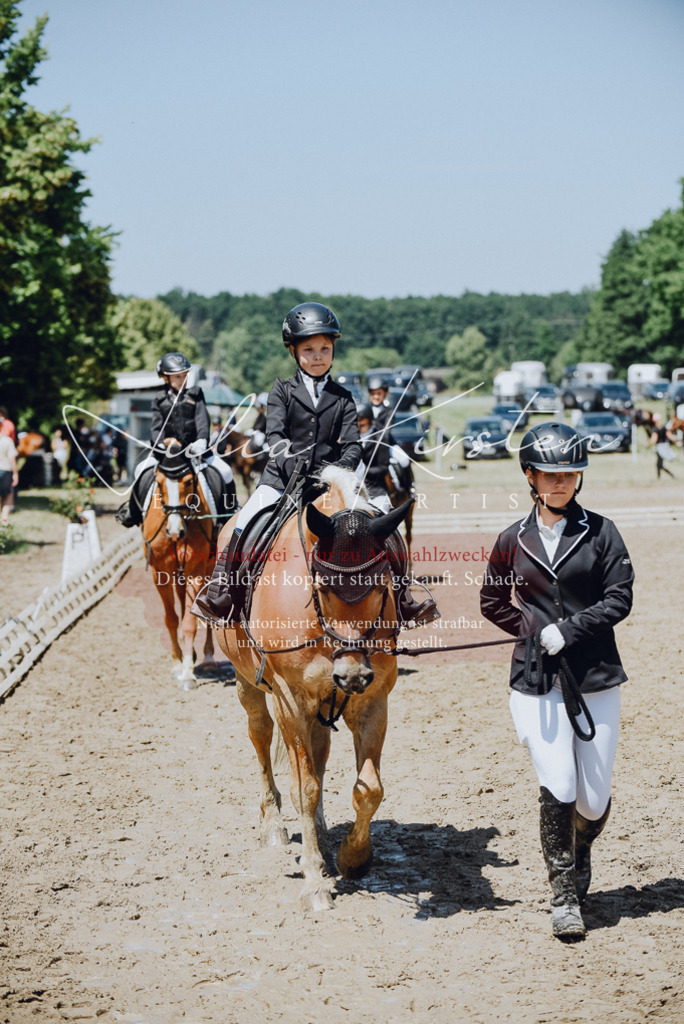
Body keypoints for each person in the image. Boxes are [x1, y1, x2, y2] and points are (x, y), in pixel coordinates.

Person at [480, 421, 634, 941]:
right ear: (530, 476)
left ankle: (582, 845)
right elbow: (492, 601)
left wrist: (567, 630)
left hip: (594, 675)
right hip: (535, 679)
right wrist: (531, 628)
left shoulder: (602, 532)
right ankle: (564, 894)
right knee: (560, 785)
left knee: (592, 800)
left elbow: (620, 598)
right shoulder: (511, 540)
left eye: (570, 474)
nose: (561, 482)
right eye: (550, 474)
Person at [196, 302, 438, 627]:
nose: (318, 355)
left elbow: (352, 445)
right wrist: (295, 469)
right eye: (309, 349)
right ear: (294, 351)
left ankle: (405, 600)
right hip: (281, 481)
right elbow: (276, 438)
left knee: (381, 525)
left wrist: (331, 476)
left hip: (332, 484)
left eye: (325, 348)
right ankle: (222, 594)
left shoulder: (343, 397)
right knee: (245, 522)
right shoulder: (280, 390)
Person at [116, 353, 234, 527]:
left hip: (195, 450)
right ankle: (133, 513)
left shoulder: (195, 394)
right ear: (165, 377)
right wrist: (162, 444)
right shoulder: (159, 399)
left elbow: (203, 421)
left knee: (225, 471)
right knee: (140, 470)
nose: (182, 380)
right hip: (167, 453)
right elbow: (156, 429)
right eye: (177, 376)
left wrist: (201, 440)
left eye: (185, 375)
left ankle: (229, 513)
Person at [366, 373, 413, 492]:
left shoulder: (389, 411)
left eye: (379, 394)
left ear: (385, 394)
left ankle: (409, 488)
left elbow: (386, 431)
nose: (376, 397)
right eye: (373, 394)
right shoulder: (365, 409)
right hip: (366, 443)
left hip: (386, 443)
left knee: (404, 459)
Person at [648, 413, 677, 480]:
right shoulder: (664, 427)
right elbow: (670, 436)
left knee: (659, 464)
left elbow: (654, 439)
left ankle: (671, 475)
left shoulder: (655, 429)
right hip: (665, 446)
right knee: (658, 464)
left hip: (660, 447)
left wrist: (648, 443)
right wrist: (676, 441)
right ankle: (659, 478)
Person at [0, 431, 18, 525]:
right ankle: (4, 521)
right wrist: (15, 473)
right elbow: (12, 458)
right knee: (7, 497)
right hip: (5, 470)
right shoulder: (7, 441)